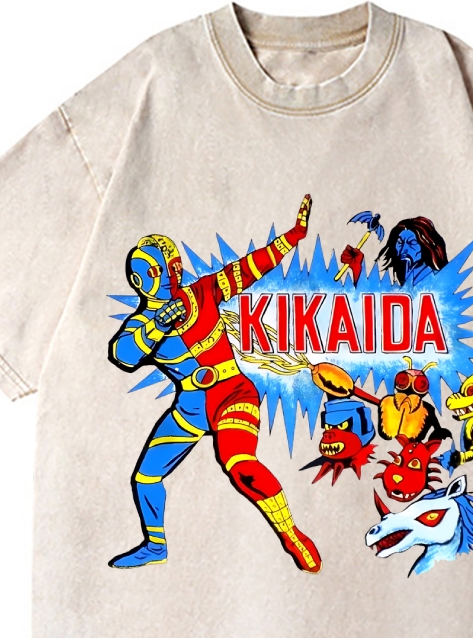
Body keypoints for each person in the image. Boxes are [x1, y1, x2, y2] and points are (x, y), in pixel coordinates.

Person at [107, 195, 321, 573]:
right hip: (190, 407)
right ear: (142, 279)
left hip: (231, 395)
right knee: (145, 478)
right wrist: (157, 325)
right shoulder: (141, 324)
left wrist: (293, 236)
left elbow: (249, 268)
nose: (171, 276)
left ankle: (290, 533)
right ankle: (155, 544)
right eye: (161, 270)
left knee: (240, 464)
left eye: (174, 267)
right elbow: (124, 354)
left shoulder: (203, 292)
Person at [340, 215, 449, 286]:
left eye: (411, 243)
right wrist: (357, 267)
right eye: (400, 242)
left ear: (425, 246)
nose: (403, 249)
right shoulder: (402, 281)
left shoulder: (435, 280)